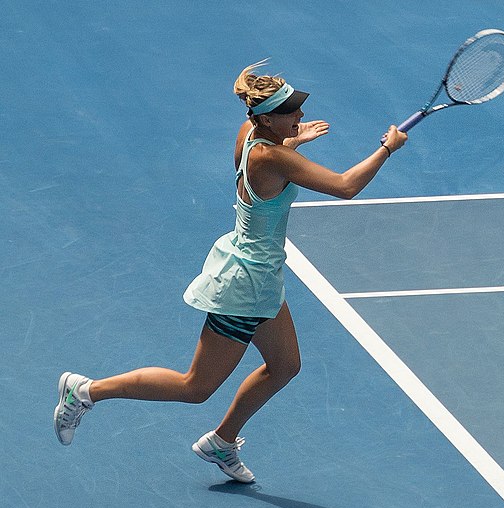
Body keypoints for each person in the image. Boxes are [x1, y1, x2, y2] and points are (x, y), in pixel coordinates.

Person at [54, 60, 408, 483]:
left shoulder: (251, 137)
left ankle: (221, 442)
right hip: (245, 285)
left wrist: (293, 143)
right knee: (195, 388)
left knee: (285, 366)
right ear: (266, 118)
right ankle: (86, 391)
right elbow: (346, 186)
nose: (299, 116)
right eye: (291, 112)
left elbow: (264, 169)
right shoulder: (275, 156)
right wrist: (387, 148)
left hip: (259, 274)